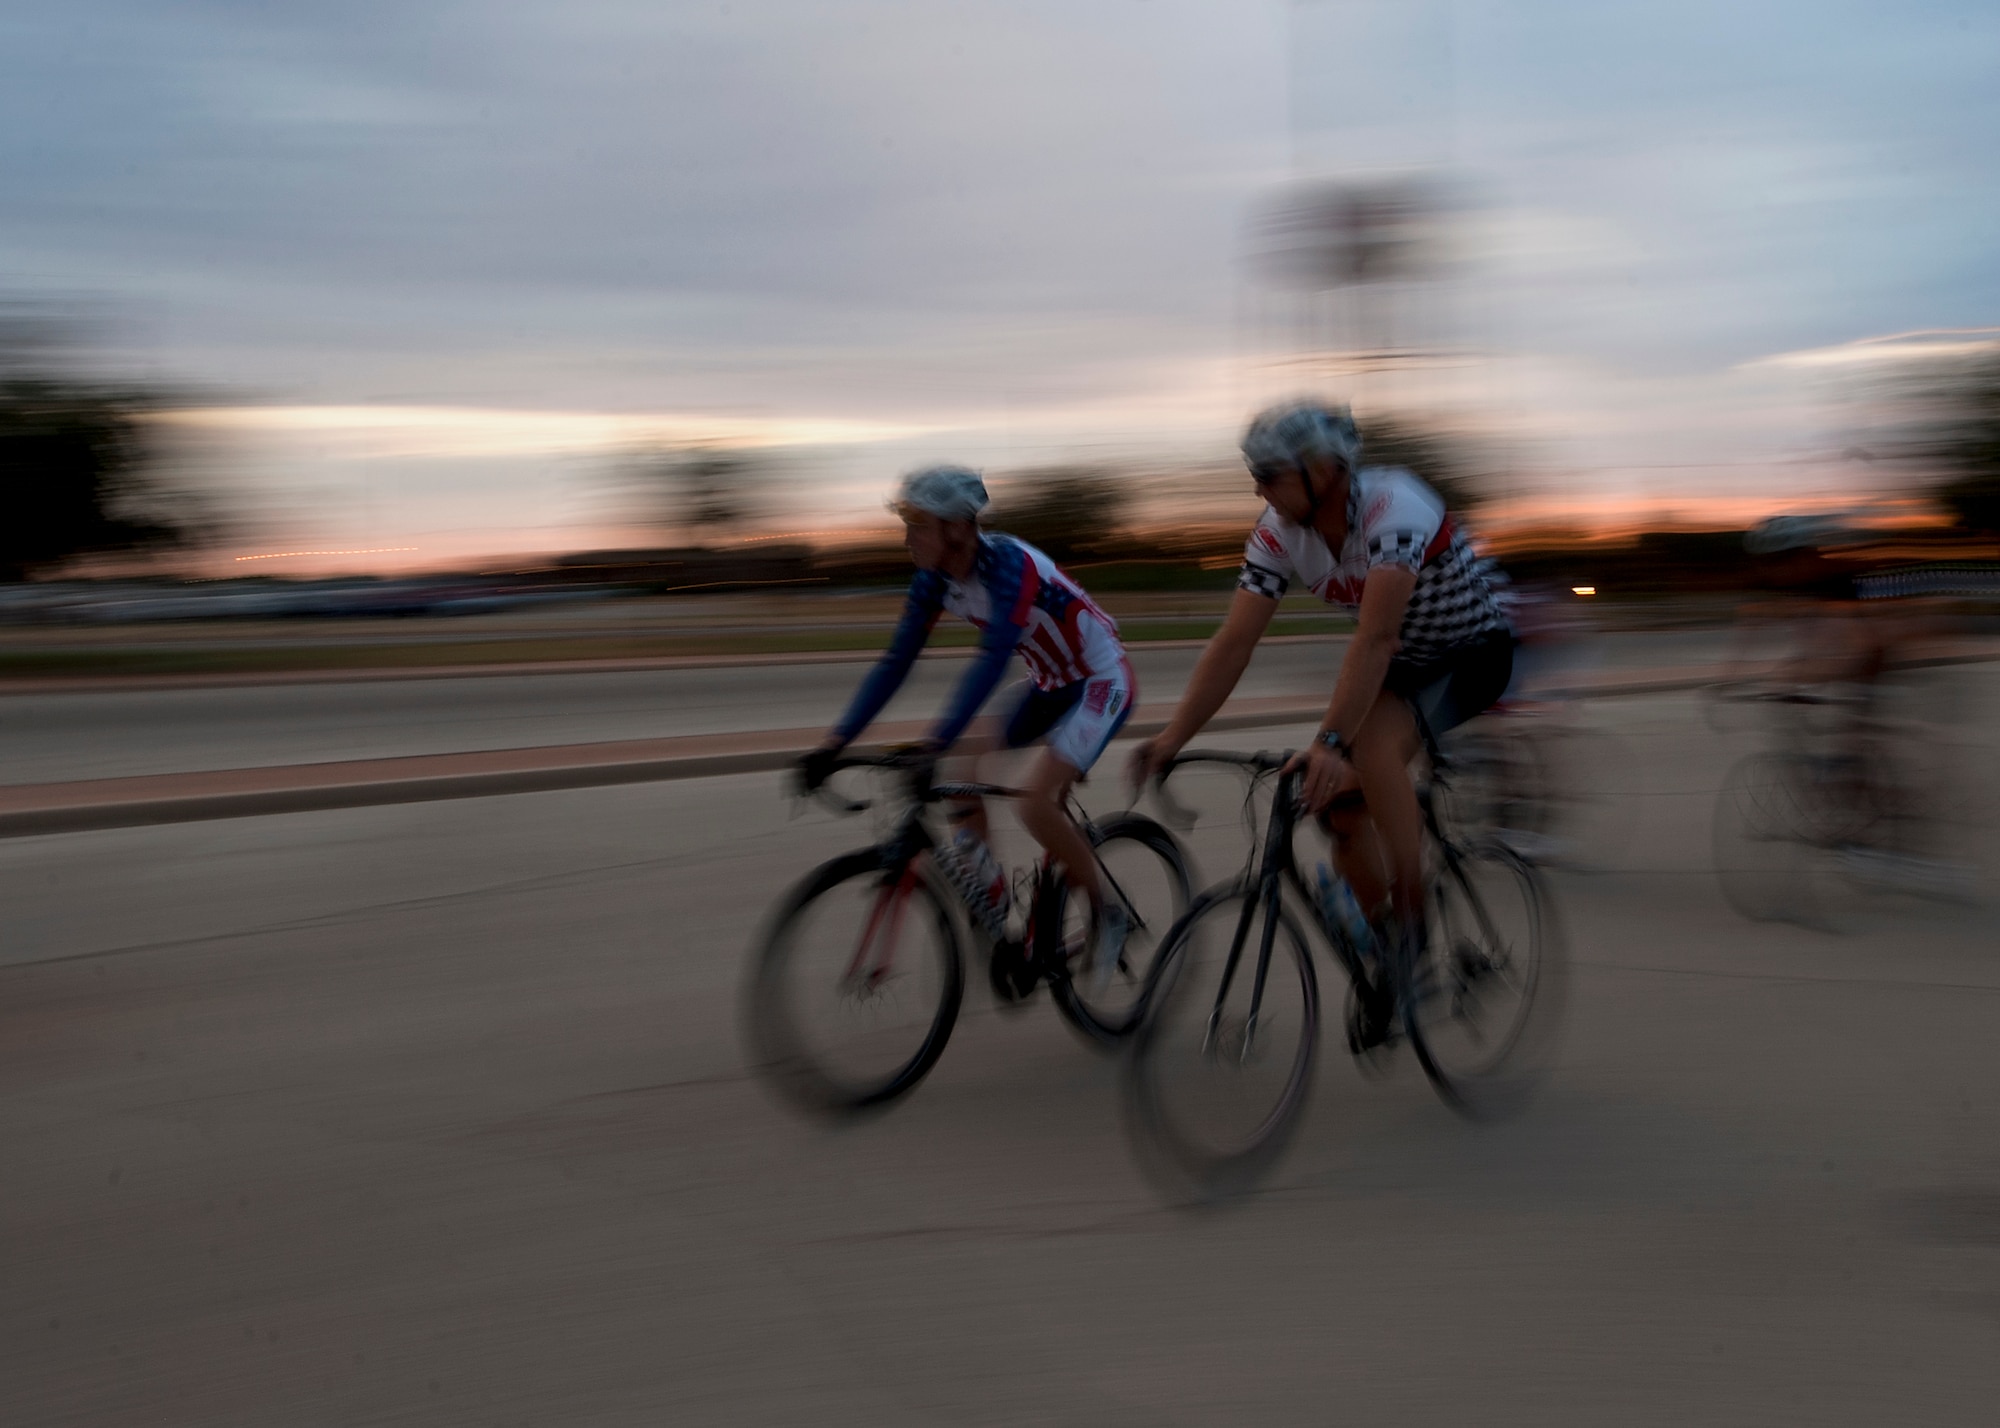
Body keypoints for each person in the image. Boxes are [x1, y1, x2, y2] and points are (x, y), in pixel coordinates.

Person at [1128, 401, 1513, 1035]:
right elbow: (1234, 643)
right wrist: (1173, 737)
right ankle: (1388, 941)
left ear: (1324, 469)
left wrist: (1330, 741)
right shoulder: (1280, 531)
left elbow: (1376, 639)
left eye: (1270, 472)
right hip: (1400, 664)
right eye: (1253, 473)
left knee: (1370, 752)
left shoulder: (1395, 507)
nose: (1258, 486)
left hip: (1470, 655)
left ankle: (1414, 923)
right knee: (1336, 810)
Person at [797, 464, 1137, 992]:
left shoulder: (1011, 567)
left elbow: (992, 658)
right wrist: (833, 743)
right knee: (960, 771)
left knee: (1032, 801)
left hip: (1099, 681)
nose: (907, 537)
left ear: (957, 527)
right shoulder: (934, 579)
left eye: (918, 524)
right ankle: (994, 893)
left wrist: (933, 742)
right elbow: (896, 662)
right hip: (1048, 685)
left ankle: (1107, 910)